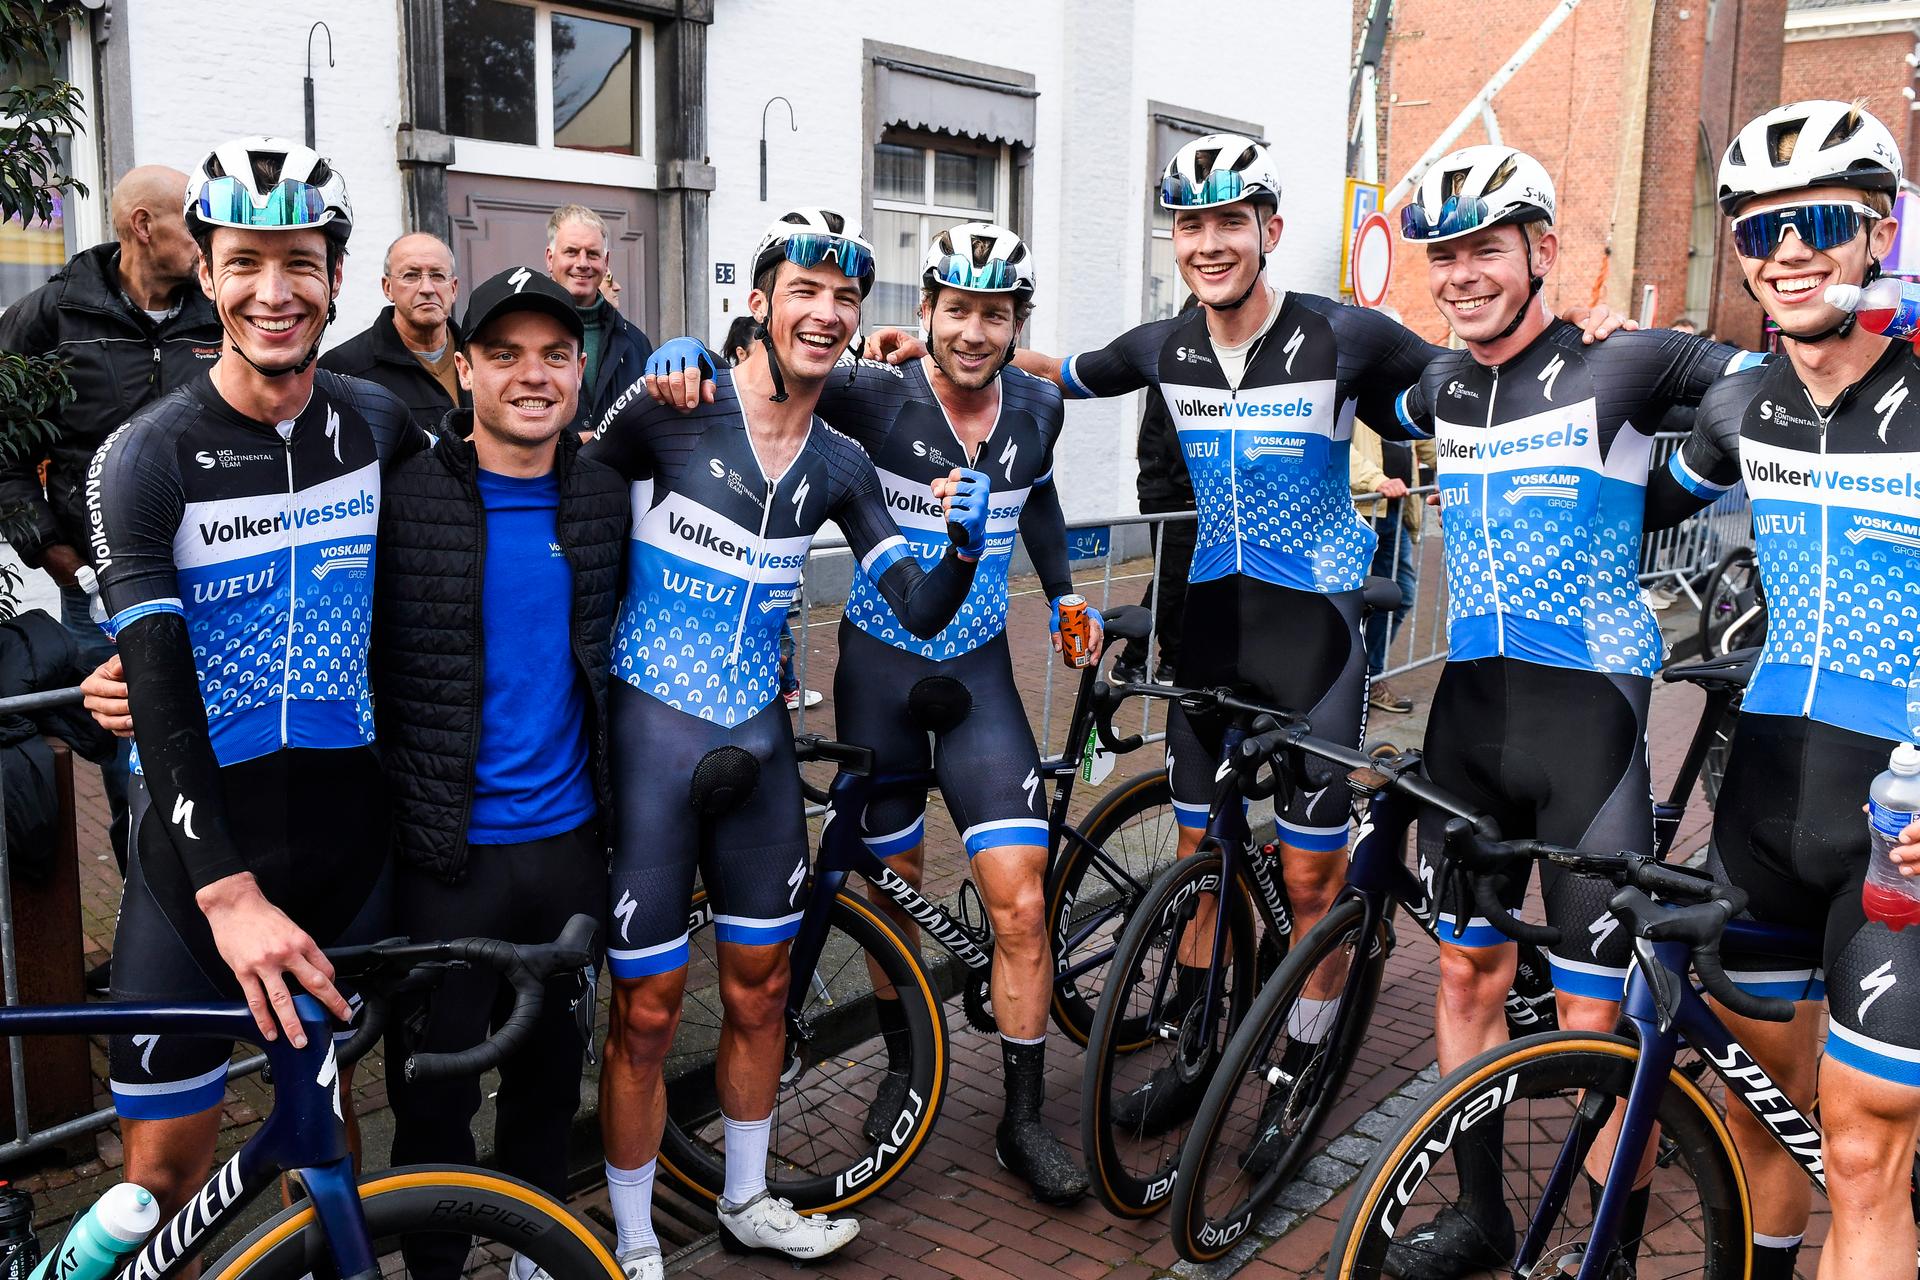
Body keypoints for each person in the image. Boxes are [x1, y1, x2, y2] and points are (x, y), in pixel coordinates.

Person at [873, 134, 1443, 1128]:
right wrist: (914, 345)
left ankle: (1298, 1070)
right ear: (1173, 237)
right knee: (1199, 866)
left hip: (1314, 642)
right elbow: (1055, 365)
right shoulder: (1163, 345)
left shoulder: (1346, 335)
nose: (1210, 242)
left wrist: (1585, 348)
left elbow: (1480, 382)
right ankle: (1195, 1046)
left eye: (1232, 222)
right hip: (1210, 641)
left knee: (1311, 875)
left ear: (1270, 229)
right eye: (1191, 224)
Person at [643, 220, 1100, 1203]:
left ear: (1017, 322)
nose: (975, 332)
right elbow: (768, 365)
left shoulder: (1038, 405)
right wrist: (690, 352)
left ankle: (1022, 1117)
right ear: (924, 312)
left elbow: (1042, 496)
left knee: (1019, 895)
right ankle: (906, 1055)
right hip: (880, 672)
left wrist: (1062, 590)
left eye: (996, 314)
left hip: (979, 676)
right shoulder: (870, 393)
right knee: (892, 888)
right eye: (958, 310)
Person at [1384, 143, 1759, 1278]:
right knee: (1465, 975)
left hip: (1587, 732)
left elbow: (1755, 385)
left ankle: (1606, 1249)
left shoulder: (1621, 361)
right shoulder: (1444, 386)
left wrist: (1685, 474)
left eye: (1483, 250)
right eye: (1441, 257)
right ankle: (1482, 1211)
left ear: (1542, 250)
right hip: (1468, 723)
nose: (1459, 276)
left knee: (1602, 1030)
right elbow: (1358, 380)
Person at [585, 208, 983, 1275]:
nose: (828, 310)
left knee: (762, 988)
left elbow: (926, 605)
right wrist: (650, 358)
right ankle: (631, 1238)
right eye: (806, 287)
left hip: (759, 749)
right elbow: (558, 480)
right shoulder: (671, 410)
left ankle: (748, 1196)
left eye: (846, 297)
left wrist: (966, 542)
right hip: (649, 739)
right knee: (648, 1008)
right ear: (759, 302)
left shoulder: (844, 459)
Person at [81, 136, 422, 1233]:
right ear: (205, 270)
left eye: (300, 262)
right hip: (196, 863)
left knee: (325, 1129)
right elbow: (154, 669)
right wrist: (227, 896)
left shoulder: (378, 422)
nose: (272, 293)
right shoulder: (145, 454)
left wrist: (696, 378)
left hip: (344, 833)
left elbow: (500, 498)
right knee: (162, 1181)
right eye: (242, 263)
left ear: (334, 272)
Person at [1650, 99, 1920, 1280]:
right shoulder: (1739, 402)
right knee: (1765, 1109)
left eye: (1817, 220)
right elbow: (1642, 499)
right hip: (1759, 804)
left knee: (1862, 1150)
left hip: (1899, 824)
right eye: (1760, 232)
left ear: (1879, 232)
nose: (1788, 251)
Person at [372, 267, 626, 1280]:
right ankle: (433, 1267)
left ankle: (534, 1257)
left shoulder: (606, 492)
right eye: (507, 353)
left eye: (556, 354)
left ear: (581, 369)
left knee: (548, 1079)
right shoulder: (406, 498)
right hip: (446, 854)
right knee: (432, 1091)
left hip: (568, 848)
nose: (534, 374)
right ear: (463, 365)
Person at [0, 164, 219, 888]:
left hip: (211, 578)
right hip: (98, 589)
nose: (207, 239)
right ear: (143, 227)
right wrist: (52, 548)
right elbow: (3, 441)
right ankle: (149, 913)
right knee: (135, 766)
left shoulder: (217, 313)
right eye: (192, 222)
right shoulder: (53, 316)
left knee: (218, 750)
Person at [1110, 299, 1198, 686]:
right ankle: (1131, 659)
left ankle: (1172, 662)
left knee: (1179, 578)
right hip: (1174, 494)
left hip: (1166, 489)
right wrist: (1191, 489)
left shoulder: (1180, 360)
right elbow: (1175, 435)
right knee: (1172, 579)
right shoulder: (1184, 365)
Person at [318, 232, 468, 435]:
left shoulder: (479, 356)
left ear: (454, 288)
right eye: (411, 275)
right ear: (387, 288)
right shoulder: (344, 370)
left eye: (438, 275)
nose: (427, 288)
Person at [546, 204, 652, 434]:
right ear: (550, 258)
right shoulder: (522, 334)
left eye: (592, 254)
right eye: (571, 252)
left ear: (605, 262)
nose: (582, 263)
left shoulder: (635, 343)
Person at [1348, 424, 1428, 712]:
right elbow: (1339, 445)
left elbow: (1434, 445)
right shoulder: (1357, 385)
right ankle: (1343, 684)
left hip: (1394, 508)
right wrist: (1375, 480)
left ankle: (1371, 677)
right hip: (1361, 506)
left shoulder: (1407, 400)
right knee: (1345, 602)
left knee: (1400, 594)